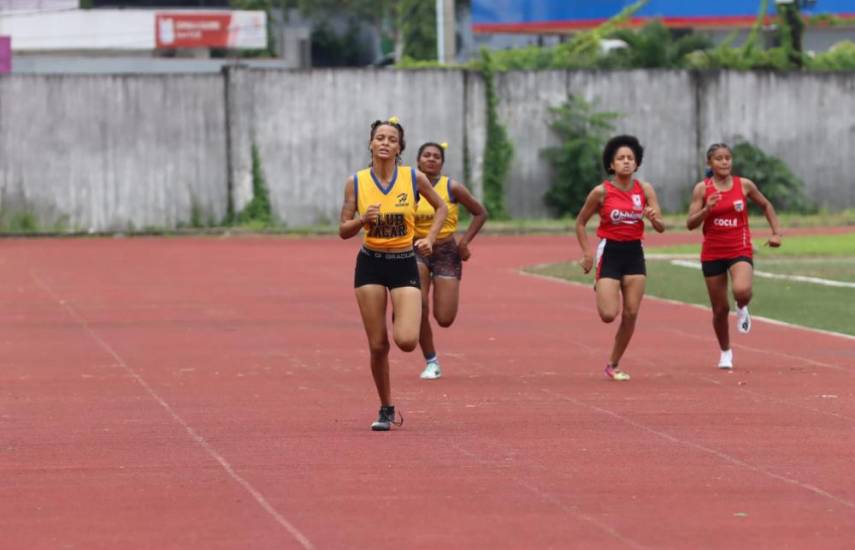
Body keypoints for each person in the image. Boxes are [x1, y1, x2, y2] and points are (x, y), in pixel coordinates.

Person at [339, 117, 448, 430]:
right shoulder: (356, 182)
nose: (385, 143)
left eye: (392, 139)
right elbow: (343, 229)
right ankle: (386, 408)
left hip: (403, 262)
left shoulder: (413, 178)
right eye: (380, 138)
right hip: (370, 263)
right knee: (378, 345)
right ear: (371, 143)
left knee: (406, 341)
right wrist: (362, 221)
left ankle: (399, 311)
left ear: (400, 147)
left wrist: (428, 238)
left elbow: (441, 207)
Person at [575, 135, 665, 381]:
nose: (626, 162)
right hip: (610, 252)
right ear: (611, 164)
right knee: (608, 315)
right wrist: (587, 253)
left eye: (630, 158)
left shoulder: (644, 190)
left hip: (635, 252)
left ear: (636, 164)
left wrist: (654, 219)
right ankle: (603, 283)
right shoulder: (601, 192)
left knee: (631, 313)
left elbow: (661, 226)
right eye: (620, 158)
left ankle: (613, 364)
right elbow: (581, 222)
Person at [686, 143, 782, 369]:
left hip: (739, 248)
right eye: (719, 158)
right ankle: (725, 352)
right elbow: (690, 223)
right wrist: (706, 209)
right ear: (710, 163)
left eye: (728, 158)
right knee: (719, 309)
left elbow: (766, 205)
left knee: (741, 290)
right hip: (712, 252)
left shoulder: (744, 185)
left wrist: (776, 233)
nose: (724, 162)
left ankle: (742, 307)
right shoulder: (702, 189)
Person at [413, 142, 487, 380]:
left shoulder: (452, 187)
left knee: (444, 318)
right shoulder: (409, 186)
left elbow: (480, 212)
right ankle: (431, 361)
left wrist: (464, 242)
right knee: (419, 306)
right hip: (415, 248)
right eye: (427, 155)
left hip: (446, 250)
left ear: (442, 163)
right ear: (418, 160)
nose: (431, 159)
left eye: (436, 157)